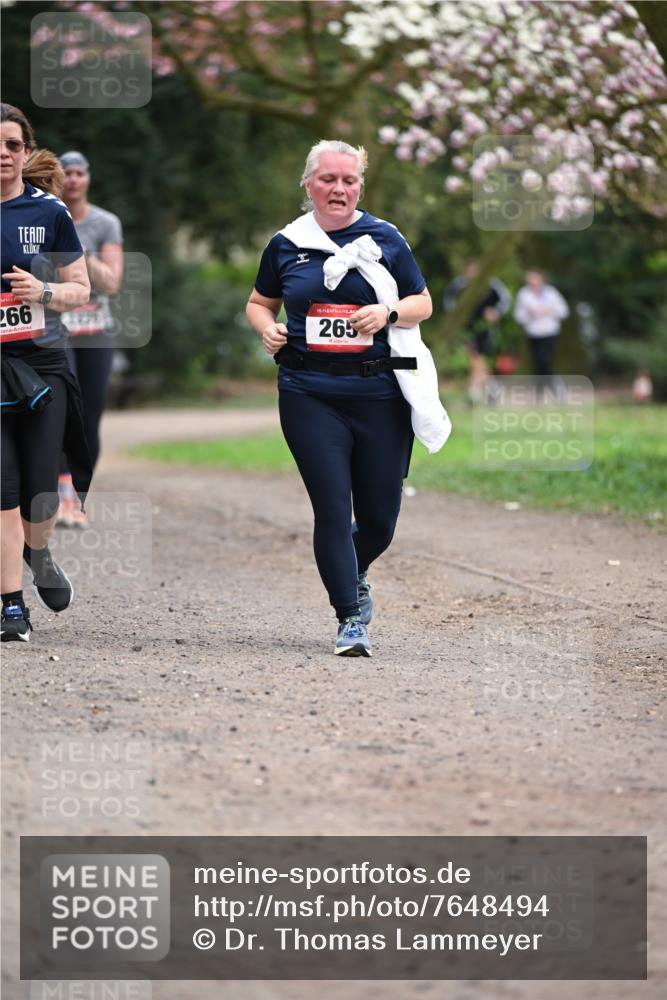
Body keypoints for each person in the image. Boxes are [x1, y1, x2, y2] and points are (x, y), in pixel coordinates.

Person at [246, 139, 446, 657]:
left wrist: (388, 313)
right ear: (308, 184)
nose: (339, 188)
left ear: (360, 185)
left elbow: (423, 302)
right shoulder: (287, 243)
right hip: (308, 392)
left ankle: (352, 570)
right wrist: (267, 328)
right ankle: (349, 619)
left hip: (379, 394)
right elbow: (259, 302)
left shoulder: (386, 238)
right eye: (328, 179)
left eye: (349, 180)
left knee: (379, 519)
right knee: (332, 509)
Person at [1, 103, 91, 643]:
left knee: (40, 490)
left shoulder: (49, 211)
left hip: (41, 366)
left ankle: (38, 551)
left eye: (12, 144)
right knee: (4, 487)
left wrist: (44, 291)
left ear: (26, 151)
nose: (3, 154)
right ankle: (11, 606)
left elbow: (81, 289)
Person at [56, 151, 124, 528]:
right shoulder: (46, 216)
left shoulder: (105, 223)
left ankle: (77, 498)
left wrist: (82, 255)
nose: (72, 179)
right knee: (62, 410)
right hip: (58, 329)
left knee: (90, 416)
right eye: (66, 172)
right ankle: (61, 495)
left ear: (87, 178)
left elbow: (112, 283)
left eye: (79, 173)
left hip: (96, 329)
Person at [443, 260, 512, 403]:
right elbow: (449, 302)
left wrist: (496, 312)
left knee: (477, 356)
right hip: (466, 329)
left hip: (485, 328)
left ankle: (477, 390)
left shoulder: (492, 284)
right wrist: (456, 316)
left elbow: (505, 299)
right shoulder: (458, 285)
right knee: (475, 356)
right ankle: (487, 388)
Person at [513, 268, 569, 395]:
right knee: (537, 362)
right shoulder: (523, 294)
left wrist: (549, 311)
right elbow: (518, 316)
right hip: (533, 333)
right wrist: (529, 314)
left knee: (544, 360)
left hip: (550, 332)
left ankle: (549, 388)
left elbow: (564, 311)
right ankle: (542, 391)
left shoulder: (551, 293)